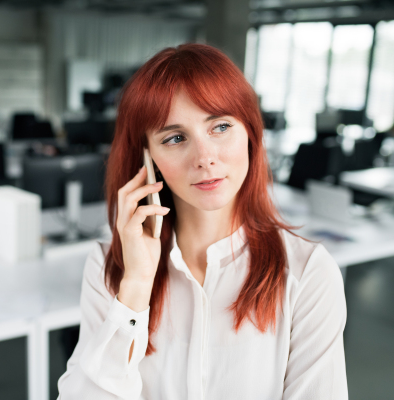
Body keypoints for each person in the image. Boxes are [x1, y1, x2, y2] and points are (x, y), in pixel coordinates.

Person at [57, 43, 347, 399]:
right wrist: (135, 287)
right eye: (176, 138)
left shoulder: (308, 274)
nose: (205, 157)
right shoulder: (108, 266)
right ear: (148, 159)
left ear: (251, 134)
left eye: (221, 127)